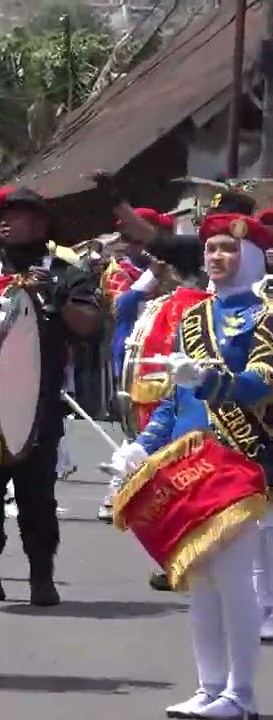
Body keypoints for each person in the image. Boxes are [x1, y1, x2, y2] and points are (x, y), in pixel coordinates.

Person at [106, 212, 271, 719]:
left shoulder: (267, 316)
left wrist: (208, 378)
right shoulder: (193, 317)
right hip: (188, 460)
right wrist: (143, 446)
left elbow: (262, 382)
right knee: (197, 578)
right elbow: (173, 403)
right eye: (210, 248)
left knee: (231, 576)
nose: (215, 257)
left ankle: (240, 694)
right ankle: (210, 686)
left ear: (254, 255)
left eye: (227, 248)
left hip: (237, 461)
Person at [0, 186, 101, 607]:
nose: (5, 223)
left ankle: (41, 576)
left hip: (39, 402)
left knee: (36, 497)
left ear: (42, 224)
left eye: (18, 214)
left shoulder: (65, 271)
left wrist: (53, 299)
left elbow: (89, 325)